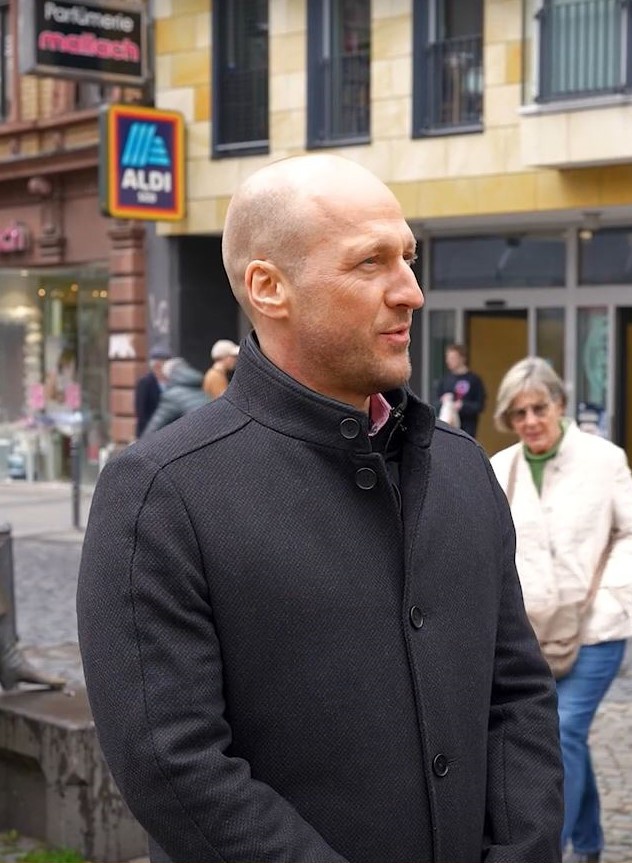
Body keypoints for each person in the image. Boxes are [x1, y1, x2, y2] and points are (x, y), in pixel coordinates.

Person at [77, 154, 563, 863]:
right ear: (269, 287)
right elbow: (173, 765)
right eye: (370, 262)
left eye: (408, 258)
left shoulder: (461, 466)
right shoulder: (160, 491)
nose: (411, 292)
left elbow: (517, 694)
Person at [489, 357, 632, 863]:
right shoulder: (499, 468)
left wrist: (612, 596)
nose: (531, 421)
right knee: (567, 737)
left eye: (539, 408)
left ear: (559, 403)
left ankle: (550, 851)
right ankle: (591, 841)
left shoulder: (604, 459)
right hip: (532, 633)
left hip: (597, 629)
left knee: (563, 733)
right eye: (518, 414)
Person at [142, 356, 210, 435]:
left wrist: (140, 442)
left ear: (169, 375)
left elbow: (153, 429)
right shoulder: (200, 389)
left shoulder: (172, 396)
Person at [436, 343, 486, 438]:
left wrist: (463, 406)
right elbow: (436, 403)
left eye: (452, 358)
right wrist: (443, 401)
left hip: (467, 430)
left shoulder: (474, 380)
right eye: (447, 358)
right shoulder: (445, 380)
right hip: (448, 429)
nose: (448, 361)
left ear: (462, 358)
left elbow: (480, 405)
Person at [133, 346, 170, 438]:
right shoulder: (145, 383)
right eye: (159, 363)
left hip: (168, 432)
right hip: (149, 433)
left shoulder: (171, 381)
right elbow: (141, 411)